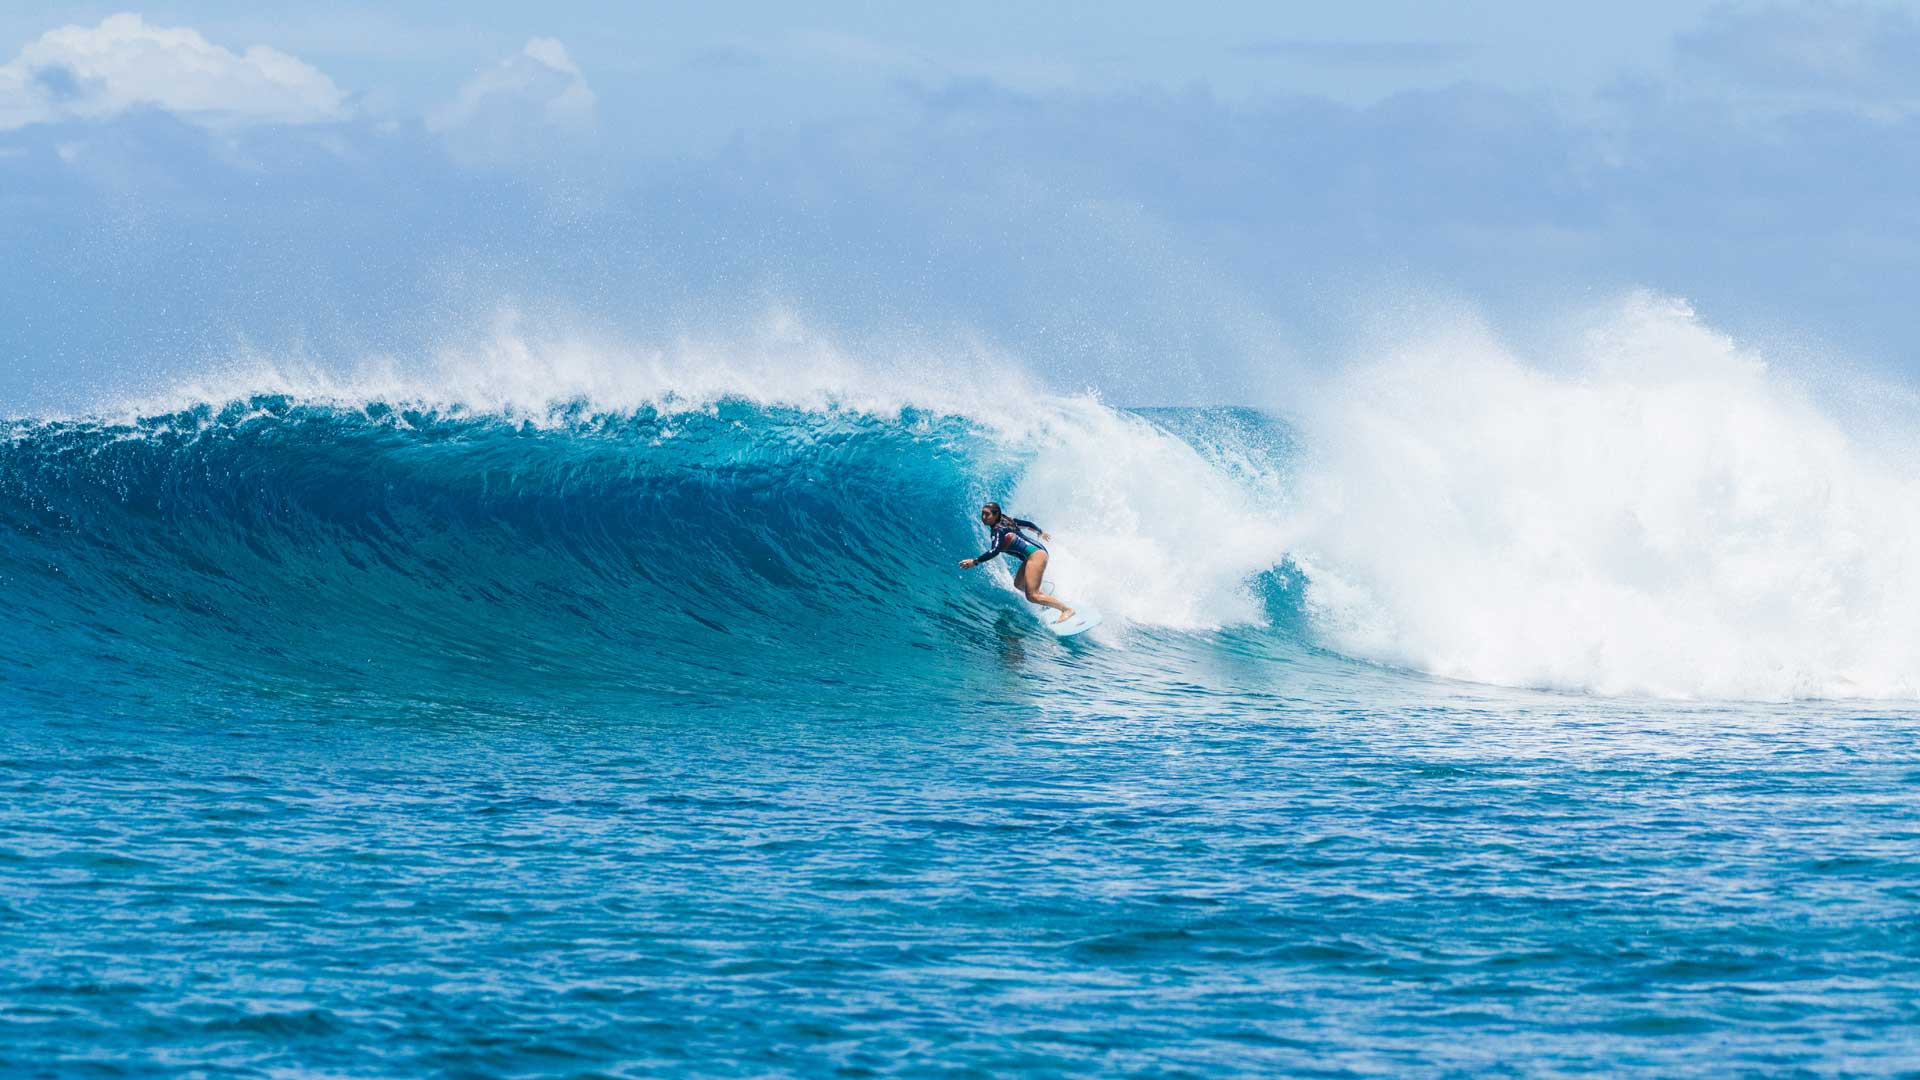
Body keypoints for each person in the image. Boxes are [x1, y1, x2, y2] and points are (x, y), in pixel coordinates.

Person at [958, 501, 1075, 623]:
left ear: (996, 514)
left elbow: (994, 550)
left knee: (1031, 596)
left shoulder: (998, 531)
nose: (983, 517)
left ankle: (1066, 610)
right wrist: (1040, 532)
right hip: (1035, 553)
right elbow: (1028, 524)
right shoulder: (1007, 520)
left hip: (1035, 555)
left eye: (987, 514)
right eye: (982, 514)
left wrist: (975, 561)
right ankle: (1044, 599)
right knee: (1019, 584)